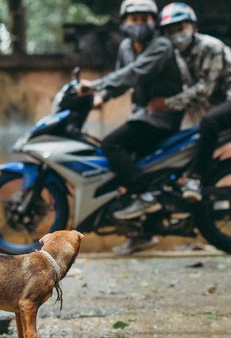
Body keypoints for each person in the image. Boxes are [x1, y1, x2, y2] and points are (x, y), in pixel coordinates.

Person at [77, 0, 184, 254]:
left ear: (153, 22)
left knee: (111, 144)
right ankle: (143, 233)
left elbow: (136, 73)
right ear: (124, 22)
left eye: (144, 19)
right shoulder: (126, 46)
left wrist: (96, 85)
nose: (138, 25)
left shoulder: (162, 45)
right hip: (141, 116)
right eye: (133, 20)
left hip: (162, 118)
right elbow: (122, 80)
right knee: (135, 167)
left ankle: (144, 195)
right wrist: (103, 96)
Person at [148, 2, 231, 202]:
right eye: (171, 31)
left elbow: (204, 90)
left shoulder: (210, 47)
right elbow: (188, 89)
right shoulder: (179, 55)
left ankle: (195, 178)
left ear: (193, 27)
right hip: (223, 103)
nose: (177, 34)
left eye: (180, 28)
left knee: (209, 122)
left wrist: (167, 103)